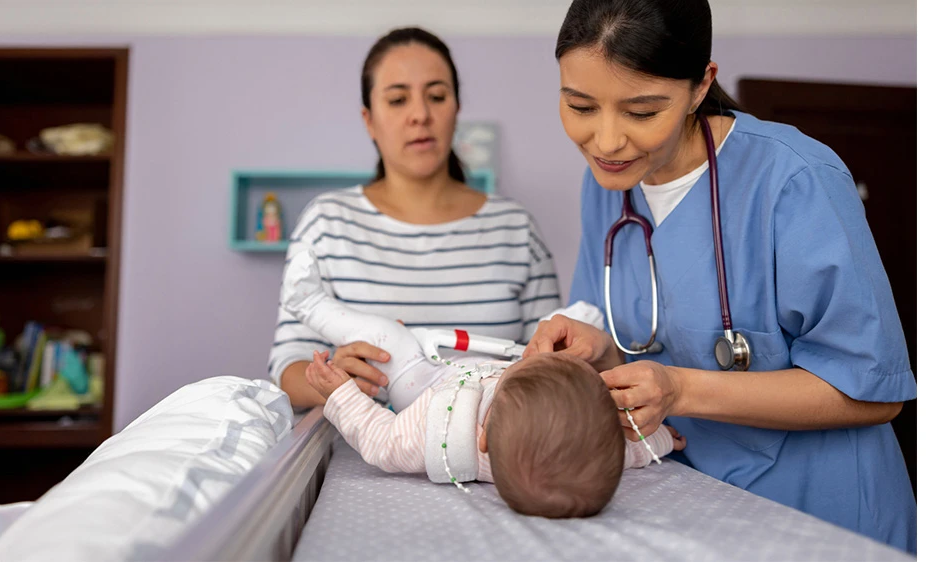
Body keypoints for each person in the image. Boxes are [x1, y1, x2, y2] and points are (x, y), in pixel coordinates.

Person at [524, 0, 917, 552]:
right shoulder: (608, 185)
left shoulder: (795, 180)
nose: (607, 141)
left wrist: (679, 388)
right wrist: (599, 352)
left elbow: (875, 394)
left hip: (824, 517)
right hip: (692, 505)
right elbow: (640, 340)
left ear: (700, 86)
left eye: (641, 112)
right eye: (580, 105)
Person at [269, 27, 561, 409]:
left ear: (456, 109)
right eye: (398, 100)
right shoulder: (326, 224)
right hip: (357, 457)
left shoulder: (516, 229)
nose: (420, 115)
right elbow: (286, 369)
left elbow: (551, 364)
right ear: (369, 120)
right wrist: (333, 381)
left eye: (437, 97)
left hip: (496, 452)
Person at [281, 246, 682, 517]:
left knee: (386, 341)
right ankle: (582, 317)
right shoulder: (595, 450)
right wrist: (663, 437)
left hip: (424, 383)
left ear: (482, 437)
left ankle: (308, 303)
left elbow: (380, 440)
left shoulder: (440, 431)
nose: (520, 362)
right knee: (557, 337)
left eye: (516, 372)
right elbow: (633, 448)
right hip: (470, 363)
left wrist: (339, 393)